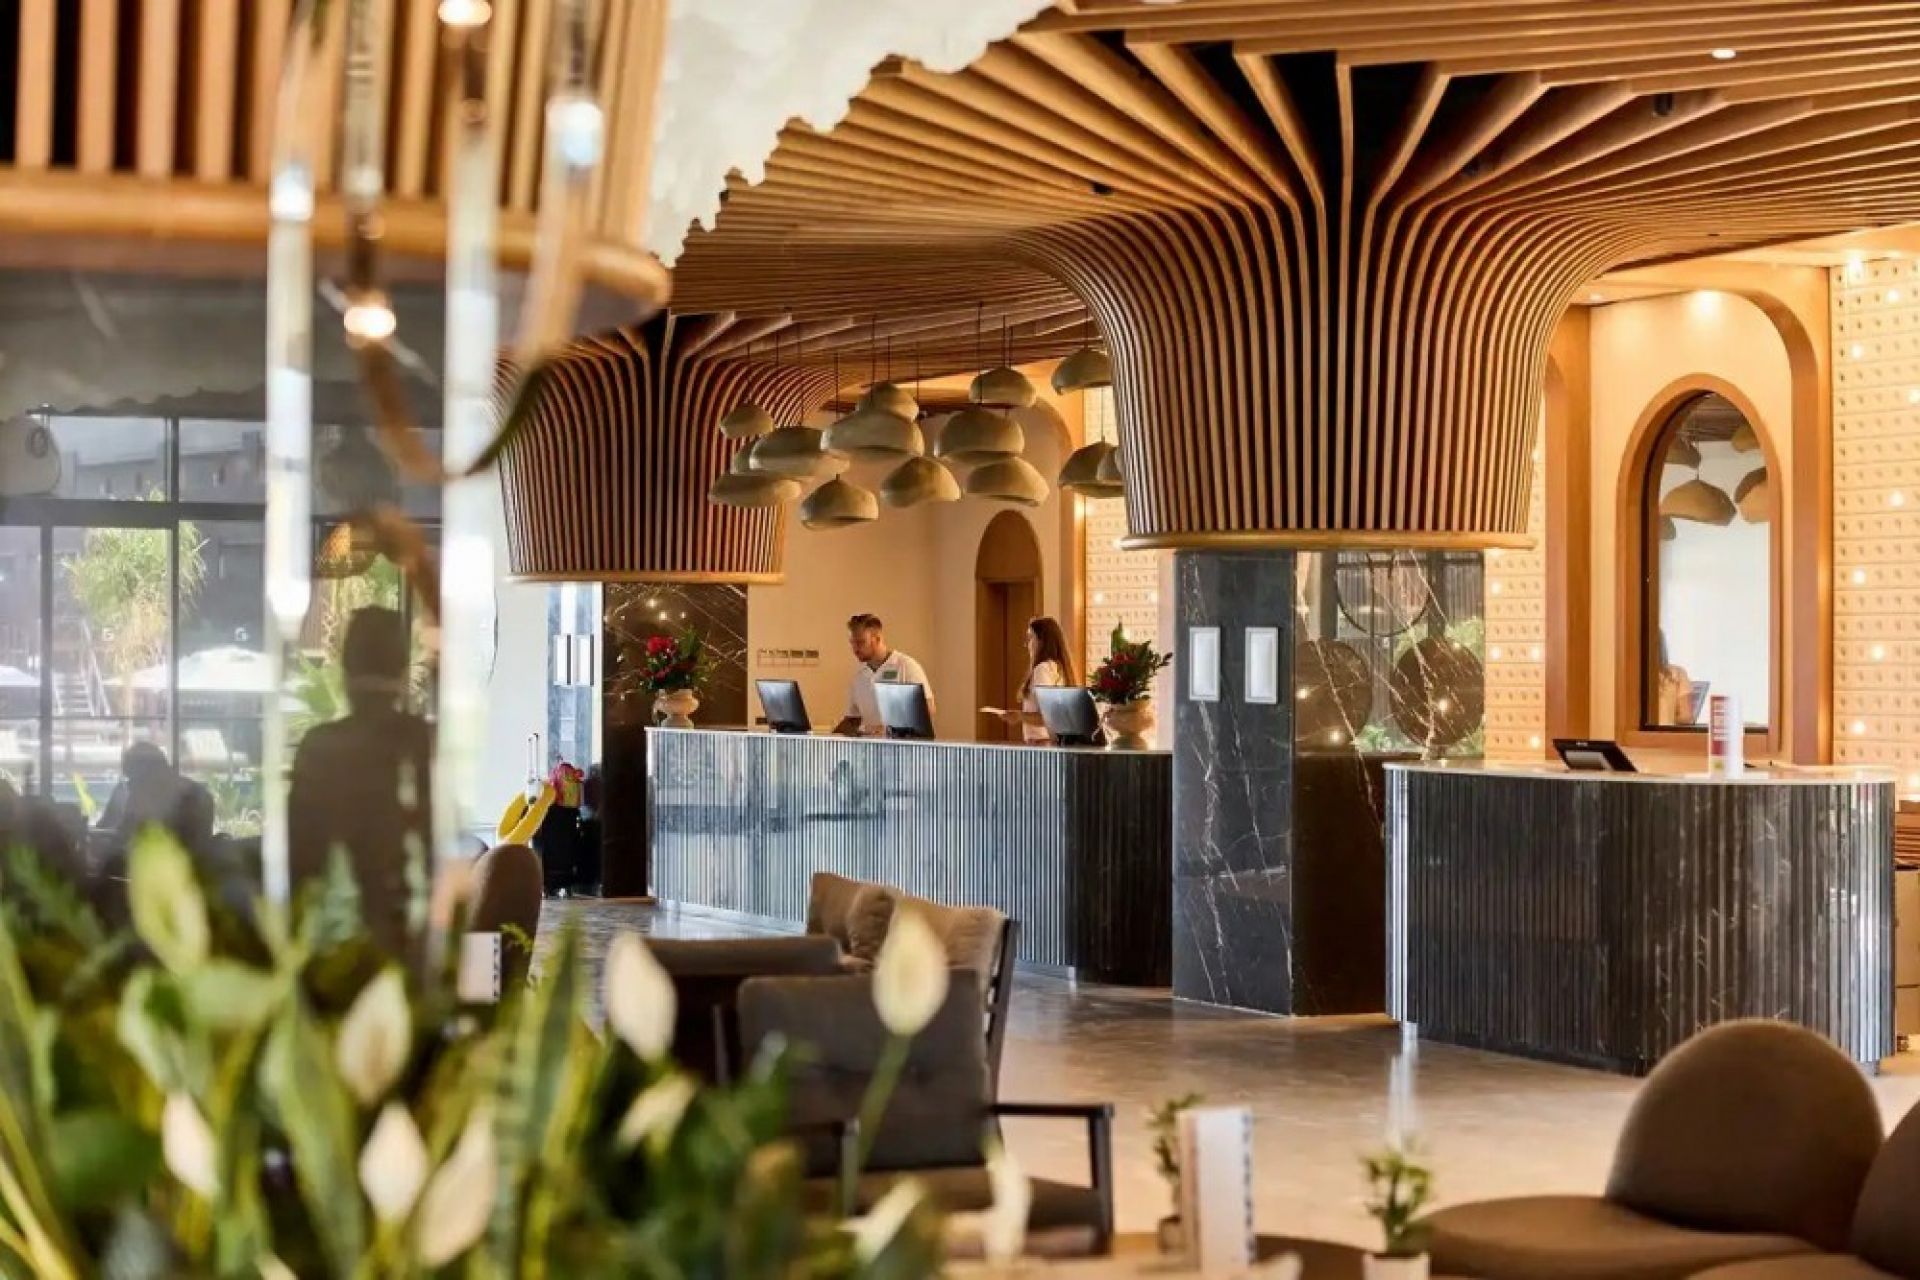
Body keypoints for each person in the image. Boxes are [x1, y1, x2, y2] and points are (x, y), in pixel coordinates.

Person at [288, 606, 432, 960]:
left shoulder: (319, 746)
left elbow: (298, 861)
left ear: (345, 671)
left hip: (331, 947)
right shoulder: (423, 742)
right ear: (403, 673)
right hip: (410, 943)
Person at [831, 613, 935, 736]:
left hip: (903, 744)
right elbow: (853, 719)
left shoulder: (905, 666)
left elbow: (928, 709)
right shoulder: (858, 677)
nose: (855, 649)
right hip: (872, 746)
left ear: (877, 639)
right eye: (852, 643)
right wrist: (827, 737)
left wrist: (891, 729)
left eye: (860, 642)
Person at [999, 616, 1077, 744]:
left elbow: (1048, 715)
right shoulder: (1058, 668)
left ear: (1041, 641)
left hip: (1041, 742)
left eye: (1030, 638)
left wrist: (1019, 716)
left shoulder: (1043, 669)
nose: (1027, 645)